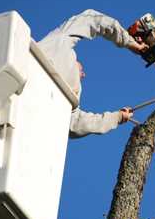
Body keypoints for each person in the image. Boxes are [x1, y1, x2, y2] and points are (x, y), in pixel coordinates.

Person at [37, 9, 147, 139]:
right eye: (81, 72)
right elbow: (93, 21)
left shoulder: (70, 104)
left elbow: (79, 125)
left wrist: (117, 117)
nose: (84, 75)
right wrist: (131, 43)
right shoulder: (58, 45)